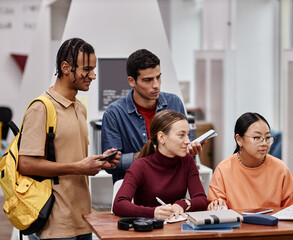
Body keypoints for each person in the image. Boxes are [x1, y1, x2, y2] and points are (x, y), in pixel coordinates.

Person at [18, 38, 120, 240]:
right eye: (87, 69)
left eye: (93, 69)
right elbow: (26, 163)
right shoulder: (41, 108)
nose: (93, 75)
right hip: (54, 224)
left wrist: (98, 162)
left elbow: (71, 156)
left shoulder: (80, 108)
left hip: (82, 220)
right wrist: (79, 167)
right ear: (65, 68)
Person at [101, 49, 203, 183]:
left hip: (172, 188)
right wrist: (147, 155)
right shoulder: (114, 113)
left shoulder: (174, 103)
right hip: (134, 193)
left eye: (158, 77)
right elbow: (110, 165)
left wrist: (190, 150)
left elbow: (185, 149)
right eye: (148, 80)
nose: (156, 85)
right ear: (132, 81)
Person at [112, 110, 207, 220]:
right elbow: (119, 204)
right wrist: (153, 212)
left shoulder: (187, 161)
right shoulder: (140, 166)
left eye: (188, 135)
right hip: (148, 230)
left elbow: (201, 199)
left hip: (177, 230)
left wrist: (182, 204)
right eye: (181, 135)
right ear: (161, 137)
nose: (187, 141)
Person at [207, 112, 293, 210]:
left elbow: (292, 208)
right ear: (239, 140)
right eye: (257, 138)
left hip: (274, 225)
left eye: (267, 138)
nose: (264, 143)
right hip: (237, 225)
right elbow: (216, 208)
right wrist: (217, 206)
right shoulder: (224, 170)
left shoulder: (280, 168)